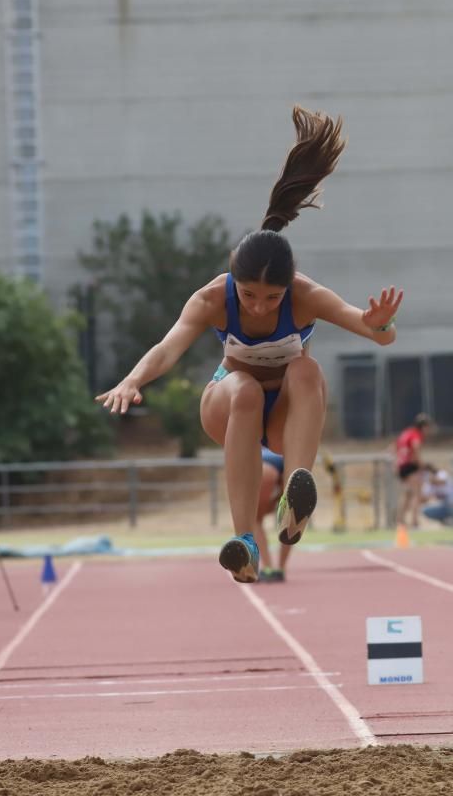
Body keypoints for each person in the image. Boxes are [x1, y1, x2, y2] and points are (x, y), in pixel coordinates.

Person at [96, 106, 403, 584]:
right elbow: (168, 346)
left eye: (272, 298)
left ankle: (293, 501)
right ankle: (244, 542)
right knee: (244, 387)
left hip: (285, 419)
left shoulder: (306, 296)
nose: (260, 307)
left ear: (289, 288)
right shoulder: (211, 299)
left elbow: (374, 333)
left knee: (307, 370)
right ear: (233, 282)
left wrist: (380, 324)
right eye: (250, 296)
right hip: (229, 407)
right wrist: (133, 379)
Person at [253, 448, 288, 583]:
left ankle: (267, 568)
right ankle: (281, 568)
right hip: (287, 459)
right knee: (289, 518)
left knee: (255, 520)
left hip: (264, 463)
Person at [395, 414, 430, 531]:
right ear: (424, 427)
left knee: (407, 493)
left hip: (401, 465)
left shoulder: (406, 432)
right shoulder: (416, 435)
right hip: (410, 465)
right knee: (416, 493)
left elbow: (396, 446)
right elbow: (416, 449)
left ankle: (400, 520)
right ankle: (415, 522)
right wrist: (421, 465)